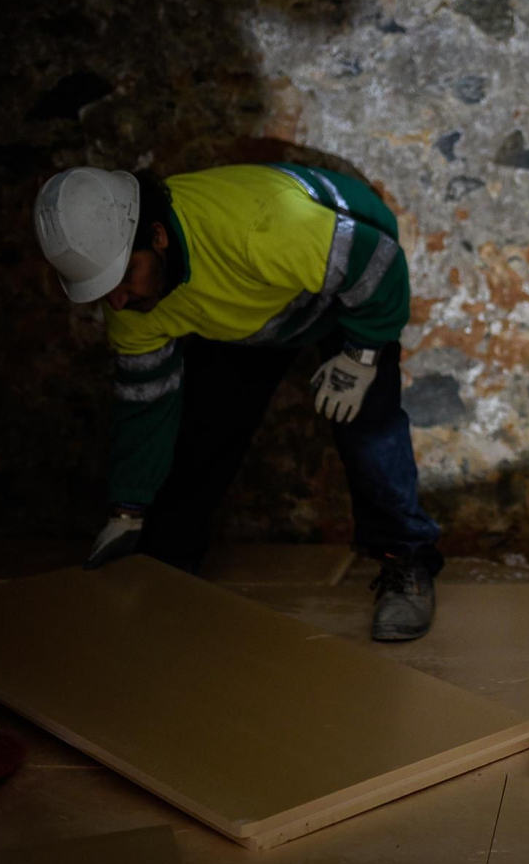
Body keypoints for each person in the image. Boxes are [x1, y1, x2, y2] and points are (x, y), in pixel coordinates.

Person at [32, 162, 442, 640]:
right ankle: (163, 561)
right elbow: (146, 405)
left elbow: (379, 265)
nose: (119, 302)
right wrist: (128, 510)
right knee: (203, 428)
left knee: (368, 431)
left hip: (348, 288)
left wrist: (361, 357)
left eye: (125, 278)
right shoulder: (133, 300)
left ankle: (406, 560)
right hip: (252, 310)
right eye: (104, 293)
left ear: (158, 237)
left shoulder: (259, 226)